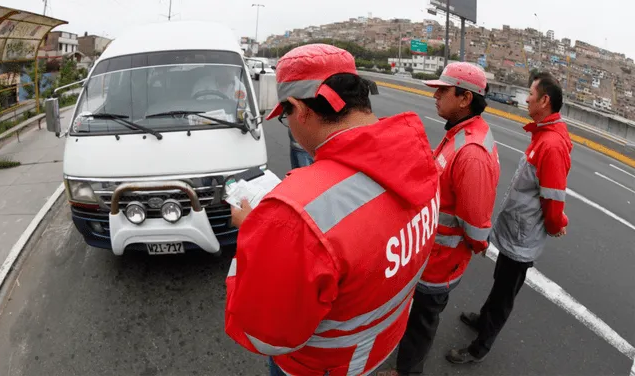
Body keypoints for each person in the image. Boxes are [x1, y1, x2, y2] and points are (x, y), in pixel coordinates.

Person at [224, 44, 441, 376]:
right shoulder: (420, 159)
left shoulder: (294, 217)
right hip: (379, 346)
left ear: (300, 109)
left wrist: (260, 231)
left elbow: (264, 334)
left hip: (321, 366)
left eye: (285, 117)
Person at [446, 71, 572, 364]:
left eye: (530, 94)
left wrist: (557, 225)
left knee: (505, 292)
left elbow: (553, 198)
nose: (525, 98)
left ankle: (480, 347)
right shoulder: (543, 134)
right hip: (517, 230)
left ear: (544, 100)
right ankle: (483, 319)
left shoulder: (551, 144)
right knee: (500, 279)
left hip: (523, 237)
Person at [396, 62, 500, 375]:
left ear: (465, 98)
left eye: (442, 90)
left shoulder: (471, 152)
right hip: (430, 255)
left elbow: (476, 227)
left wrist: (474, 244)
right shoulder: (459, 132)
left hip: (440, 264)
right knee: (416, 317)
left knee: (422, 321)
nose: (435, 96)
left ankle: (408, 371)